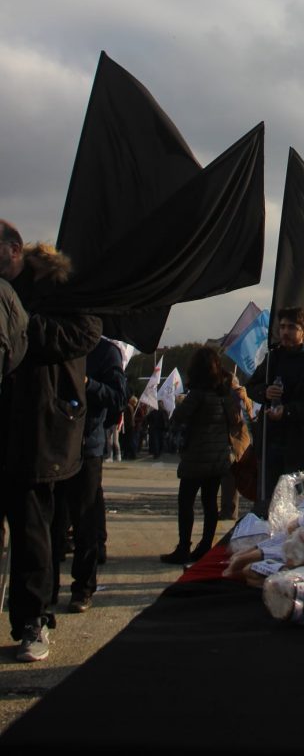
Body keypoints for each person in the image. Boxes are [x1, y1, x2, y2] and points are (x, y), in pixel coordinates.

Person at [0, 221, 102, 662]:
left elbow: (83, 335)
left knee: (32, 533)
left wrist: (21, 324)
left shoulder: (63, 289)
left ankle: (33, 621)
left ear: (14, 249)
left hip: (38, 429)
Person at [51, 337, 128, 612]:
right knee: (52, 523)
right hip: (54, 446)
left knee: (85, 522)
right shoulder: (54, 344)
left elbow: (118, 397)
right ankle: (47, 590)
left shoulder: (106, 352)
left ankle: (83, 588)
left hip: (87, 448)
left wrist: (86, 384)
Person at [246, 307, 304, 515]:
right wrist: (265, 392)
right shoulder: (272, 359)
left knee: (296, 507)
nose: (285, 332)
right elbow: (251, 387)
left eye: (291, 327)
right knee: (269, 504)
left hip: (301, 447)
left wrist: (288, 411)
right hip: (271, 444)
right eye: (282, 327)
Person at [160, 346, 239, 565]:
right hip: (218, 458)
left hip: (196, 457)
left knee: (185, 502)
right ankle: (205, 546)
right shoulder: (225, 394)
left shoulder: (198, 394)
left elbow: (179, 417)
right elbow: (234, 421)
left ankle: (184, 547)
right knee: (210, 503)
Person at [219, 376, 254, 521]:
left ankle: (229, 511)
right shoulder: (242, 395)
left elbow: (236, 418)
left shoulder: (237, 396)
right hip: (239, 441)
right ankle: (228, 509)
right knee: (230, 478)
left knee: (230, 478)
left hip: (236, 442)